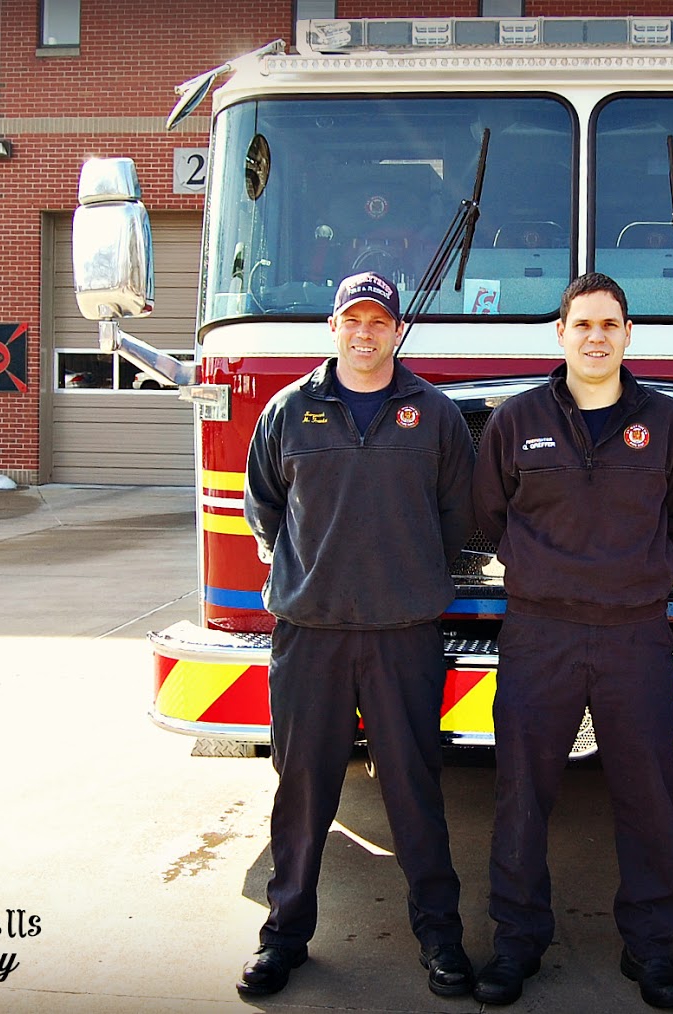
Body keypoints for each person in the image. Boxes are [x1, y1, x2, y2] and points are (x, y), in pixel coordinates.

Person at [470, 273, 673, 1009]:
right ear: (561, 335)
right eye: (583, 325)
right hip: (538, 632)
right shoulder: (515, 420)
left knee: (647, 794)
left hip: (634, 633)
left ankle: (650, 948)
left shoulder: (667, 423)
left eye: (609, 324)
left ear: (628, 334)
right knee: (521, 792)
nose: (596, 337)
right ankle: (516, 943)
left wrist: (639, 573)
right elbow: (485, 517)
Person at [238, 271, 476, 998]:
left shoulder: (434, 415)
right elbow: (265, 509)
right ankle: (283, 937)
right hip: (310, 632)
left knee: (414, 790)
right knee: (303, 789)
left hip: (403, 633)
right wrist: (319, 573)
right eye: (353, 320)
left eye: (379, 322)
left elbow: (457, 517)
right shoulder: (287, 410)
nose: (365, 333)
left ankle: (440, 937)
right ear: (333, 328)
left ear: (398, 331)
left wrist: (401, 575)